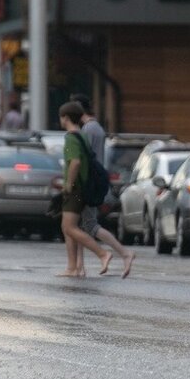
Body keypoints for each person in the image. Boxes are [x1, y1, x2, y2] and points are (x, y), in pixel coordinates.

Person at [66, 93, 134, 278]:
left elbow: (82, 159)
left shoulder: (89, 130)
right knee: (79, 224)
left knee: (89, 224)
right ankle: (79, 267)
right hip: (91, 181)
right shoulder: (95, 127)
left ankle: (123, 253)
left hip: (87, 183)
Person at [57, 102, 112, 277]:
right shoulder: (82, 136)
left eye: (61, 117)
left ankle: (102, 253)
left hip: (75, 189)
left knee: (70, 227)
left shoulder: (71, 138)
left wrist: (68, 184)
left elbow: (75, 162)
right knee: (68, 227)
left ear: (65, 118)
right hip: (83, 187)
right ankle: (72, 267)